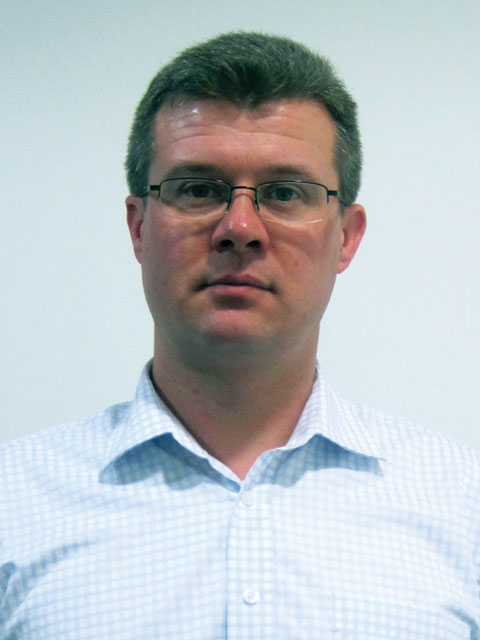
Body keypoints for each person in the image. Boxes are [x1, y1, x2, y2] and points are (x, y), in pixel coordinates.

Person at [1, 32, 479, 639]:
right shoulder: (13, 502)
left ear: (347, 237)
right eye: (199, 189)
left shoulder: (462, 504)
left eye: (285, 193)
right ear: (139, 227)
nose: (240, 227)